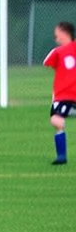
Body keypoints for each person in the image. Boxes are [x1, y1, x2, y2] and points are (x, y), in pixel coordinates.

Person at [42, 21, 76, 165]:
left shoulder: (58, 52)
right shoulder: (59, 51)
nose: (55, 37)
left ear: (64, 33)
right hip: (64, 96)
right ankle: (61, 157)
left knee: (57, 120)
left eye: (57, 34)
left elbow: (47, 62)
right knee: (57, 120)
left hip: (64, 96)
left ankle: (61, 156)